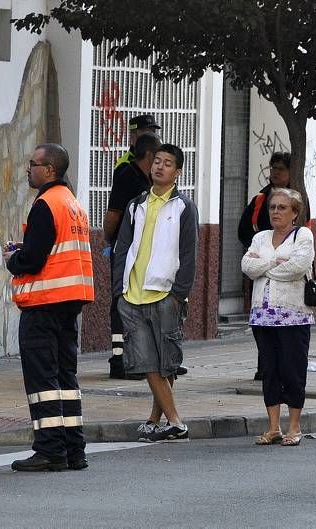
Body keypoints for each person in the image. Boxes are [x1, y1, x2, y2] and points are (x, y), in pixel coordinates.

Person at [4, 143, 94, 471]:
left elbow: (34, 258)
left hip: (44, 302)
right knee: (65, 378)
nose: (29, 169)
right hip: (69, 301)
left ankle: (49, 449)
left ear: (50, 171)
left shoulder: (45, 203)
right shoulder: (72, 204)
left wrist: (14, 259)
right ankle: (74, 450)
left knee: (42, 380)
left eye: (34, 164)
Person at [112, 144, 198, 443]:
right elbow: (123, 247)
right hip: (132, 295)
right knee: (148, 362)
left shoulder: (183, 207)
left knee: (165, 363)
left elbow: (189, 254)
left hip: (164, 294)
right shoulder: (137, 204)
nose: (160, 166)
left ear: (178, 171)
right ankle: (174, 421)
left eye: (168, 163)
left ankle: (157, 419)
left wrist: (178, 293)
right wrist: (118, 291)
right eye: (157, 161)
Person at [241, 188, 314, 447]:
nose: (275, 212)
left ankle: (294, 426)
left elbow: (297, 268)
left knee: (292, 370)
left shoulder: (303, 236)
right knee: (270, 370)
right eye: (273, 207)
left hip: (293, 316)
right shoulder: (261, 237)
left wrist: (265, 266)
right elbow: (247, 267)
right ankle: (274, 427)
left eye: (282, 207)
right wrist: (274, 262)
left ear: (295, 213)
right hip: (262, 316)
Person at [238, 152, 302, 381]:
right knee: (260, 322)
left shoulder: (297, 199)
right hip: (261, 277)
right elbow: (244, 230)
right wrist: (264, 259)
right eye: (273, 168)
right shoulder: (260, 199)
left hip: (287, 284)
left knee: (284, 329)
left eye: (281, 169)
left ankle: (281, 367)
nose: (275, 173)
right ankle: (264, 365)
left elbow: (302, 248)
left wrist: (268, 263)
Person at [103, 131, 162, 379]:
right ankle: (120, 359)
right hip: (126, 249)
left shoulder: (151, 180)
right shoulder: (127, 174)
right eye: (157, 158)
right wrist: (111, 240)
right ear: (148, 155)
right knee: (122, 300)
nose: (160, 164)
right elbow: (114, 213)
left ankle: (147, 358)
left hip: (147, 250)